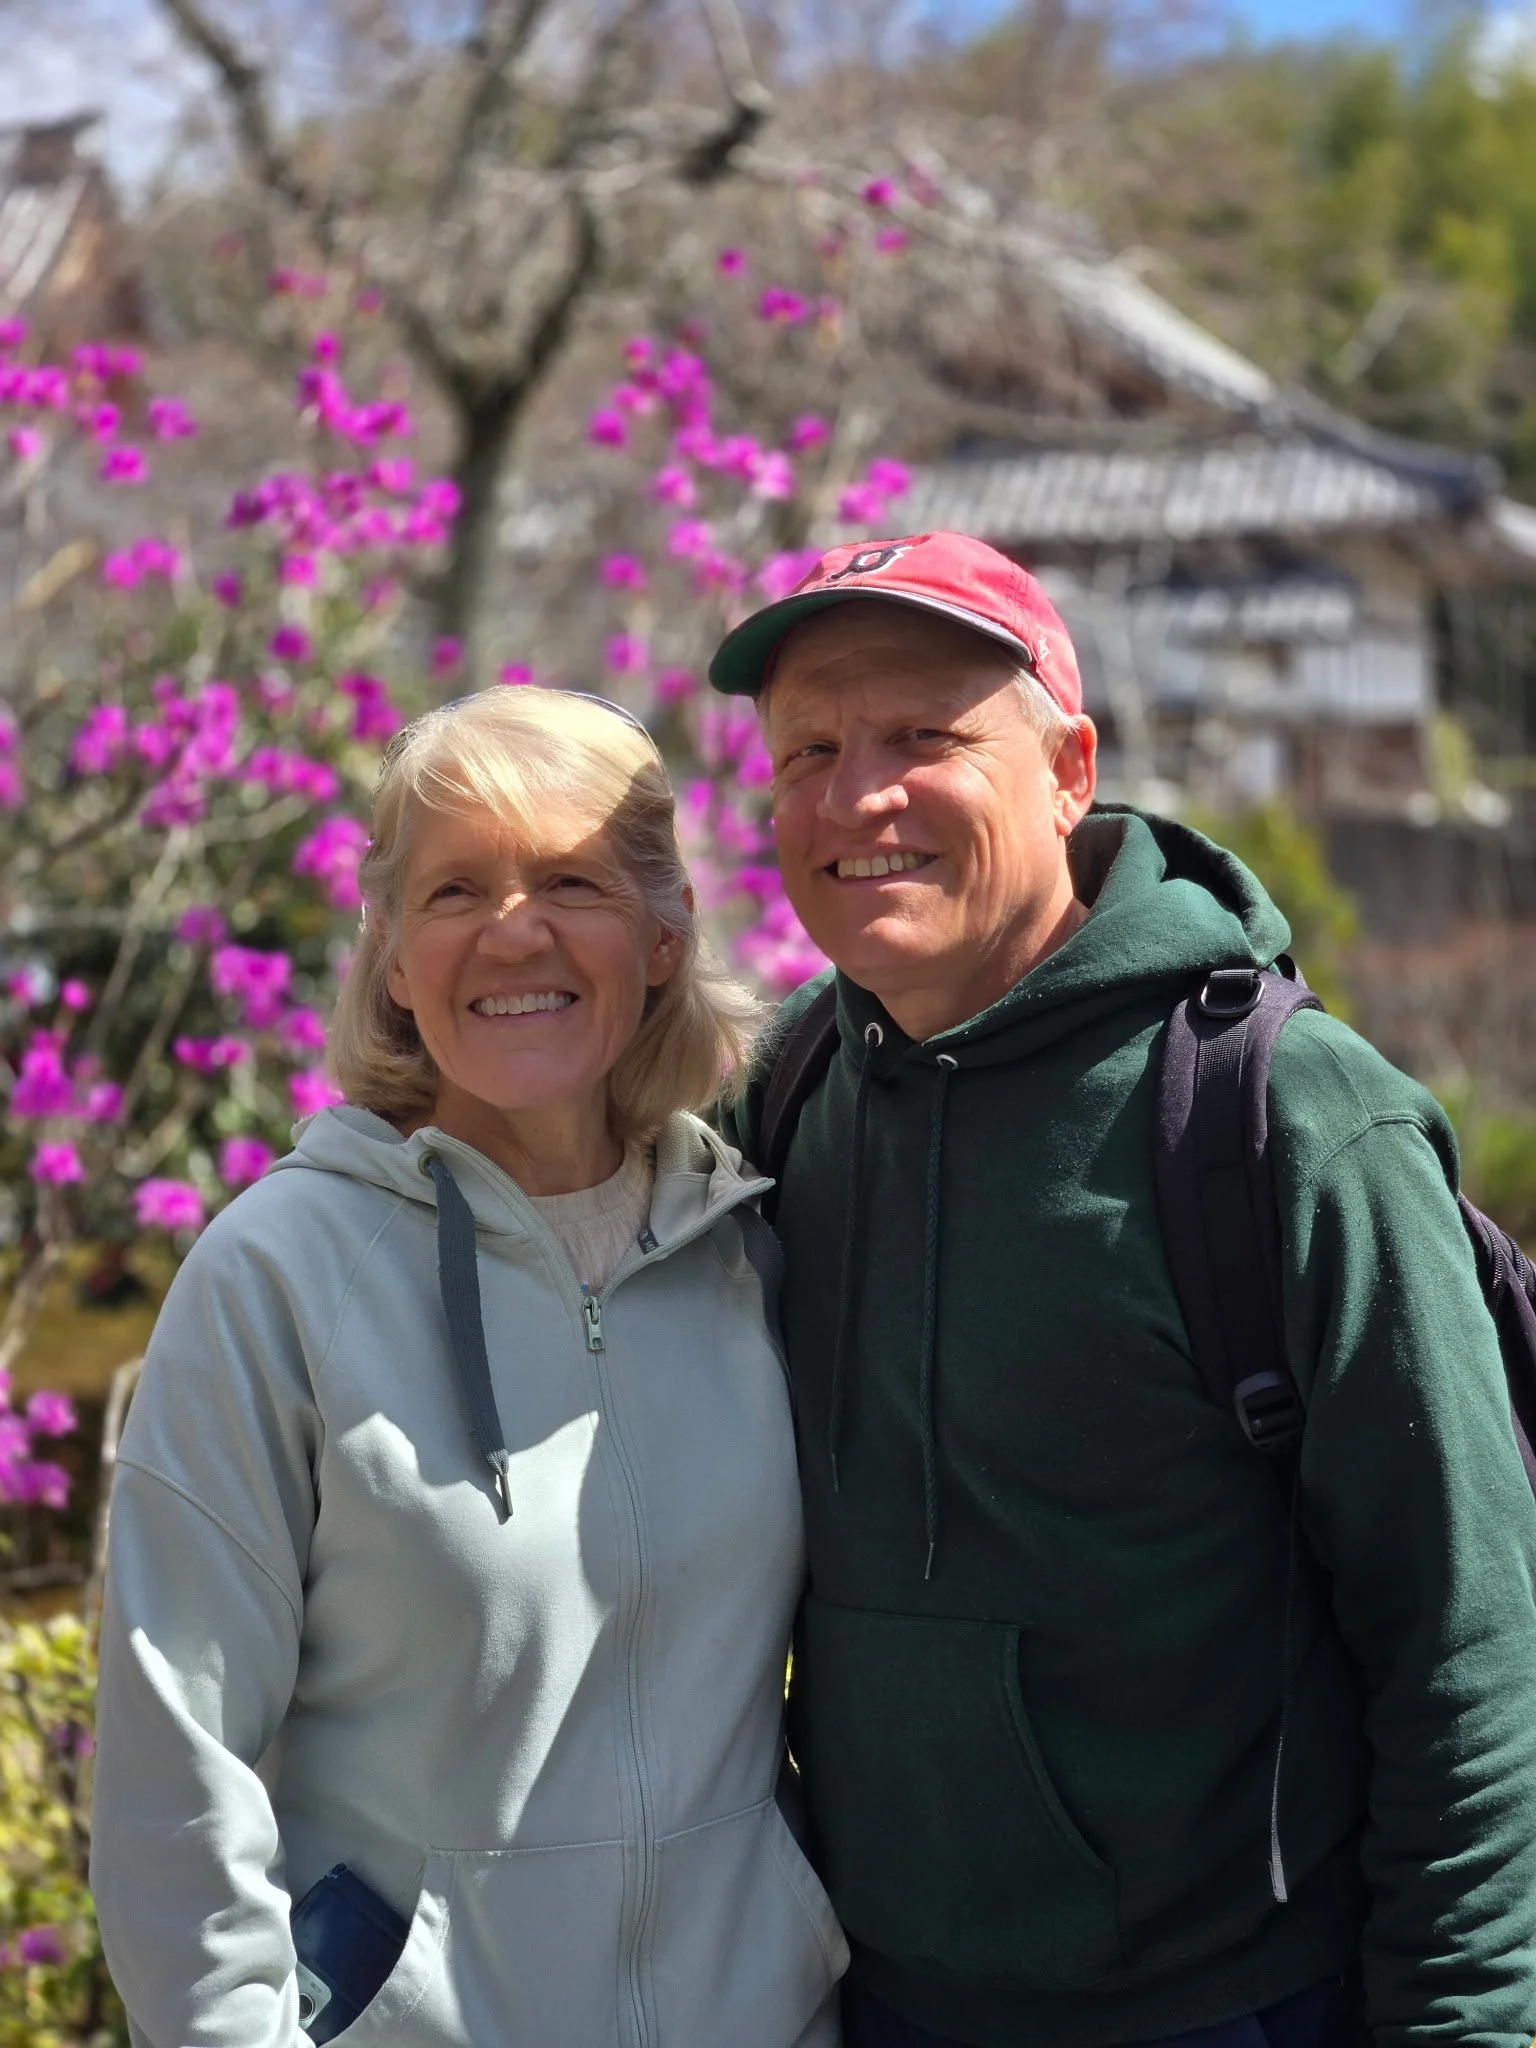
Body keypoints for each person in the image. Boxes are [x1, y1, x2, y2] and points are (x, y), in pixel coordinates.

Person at [711, 531, 1536, 2048]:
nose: (852, 796)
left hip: (1236, 2006)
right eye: (807, 749)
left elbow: (1466, 1643)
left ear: (1068, 767)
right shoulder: (798, 1091)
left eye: (923, 739)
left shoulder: (1282, 1118)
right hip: (874, 1997)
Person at [91, 687, 848, 2048]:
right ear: (388, 952)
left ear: (662, 933)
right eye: (454, 891)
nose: (515, 932)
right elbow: (173, 1775)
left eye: (571, 880)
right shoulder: (276, 1278)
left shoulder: (748, 1245)